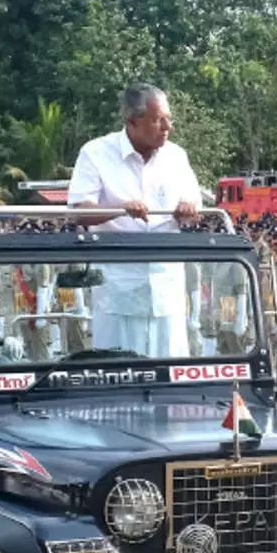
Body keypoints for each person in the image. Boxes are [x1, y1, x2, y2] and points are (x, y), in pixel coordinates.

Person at [66, 84, 205, 356]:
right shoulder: (95, 153)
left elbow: (195, 207)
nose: (168, 127)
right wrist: (120, 209)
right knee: (118, 374)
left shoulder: (176, 157)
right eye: (158, 120)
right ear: (132, 121)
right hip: (119, 291)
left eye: (169, 118)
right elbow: (78, 211)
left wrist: (189, 211)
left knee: (170, 375)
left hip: (167, 290)